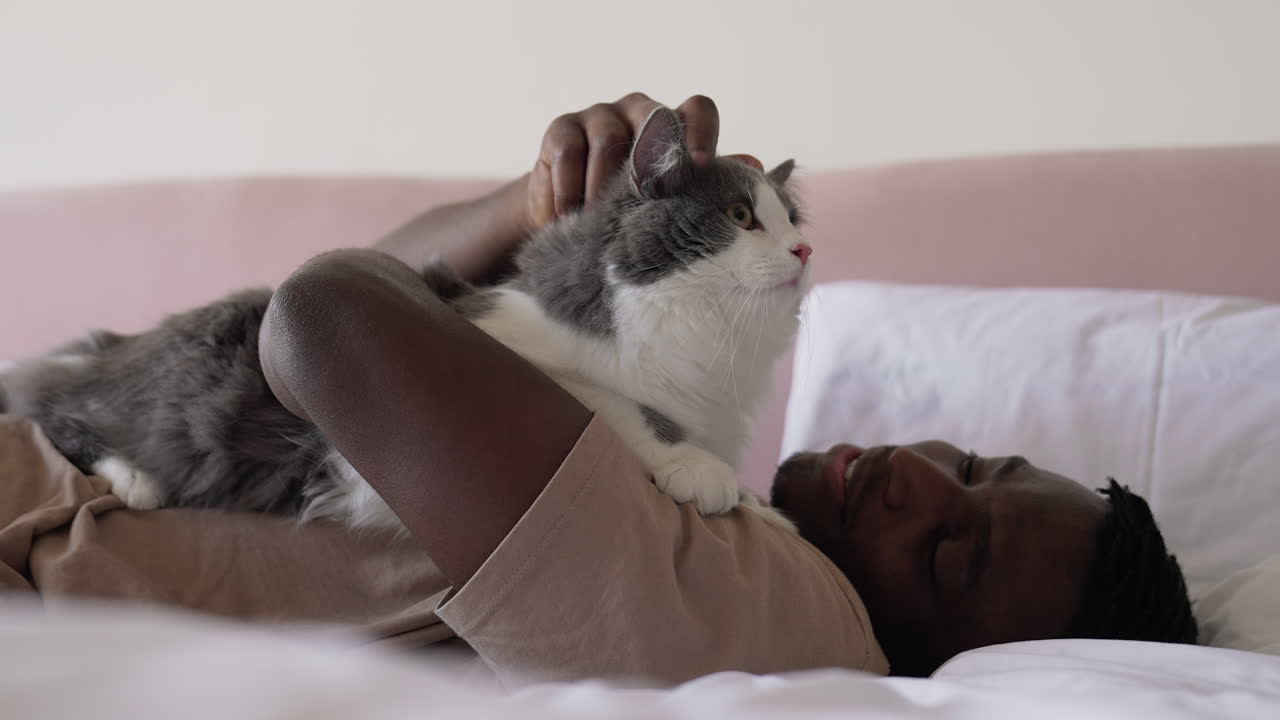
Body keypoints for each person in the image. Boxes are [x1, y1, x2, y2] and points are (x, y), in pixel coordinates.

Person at [0, 93, 1196, 686]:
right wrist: (537, 216)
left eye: (948, 555)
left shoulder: (772, 616)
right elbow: (342, 312)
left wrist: (564, 282)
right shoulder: (716, 498)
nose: (918, 481)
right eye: (974, 466)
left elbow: (327, 324)